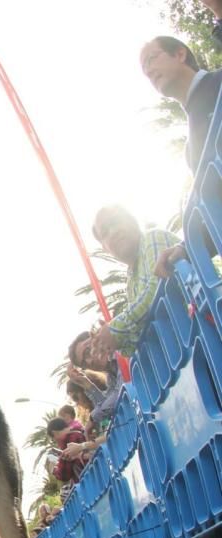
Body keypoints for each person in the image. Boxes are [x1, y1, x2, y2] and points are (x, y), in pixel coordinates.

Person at [88, 205, 181, 361]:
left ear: (132, 220)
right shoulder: (131, 282)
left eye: (115, 221)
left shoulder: (152, 238)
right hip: (185, 355)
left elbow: (159, 287)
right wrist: (112, 342)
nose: (113, 231)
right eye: (105, 232)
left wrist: (115, 329)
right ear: (105, 248)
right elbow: (142, 333)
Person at [140, 33, 222, 173]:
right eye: (144, 69)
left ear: (180, 54)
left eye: (151, 59)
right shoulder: (191, 153)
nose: (148, 71)